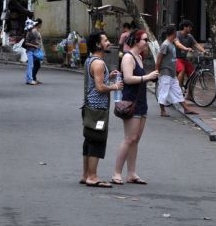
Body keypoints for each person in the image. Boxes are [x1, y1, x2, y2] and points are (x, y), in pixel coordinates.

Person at [111, 29, 159, 185]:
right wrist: (148, 77)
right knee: (129, 138)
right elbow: (128, 78)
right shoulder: (128, 57)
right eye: (145, 39)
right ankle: (117, 173)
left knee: (136, 139)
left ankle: (131, 173)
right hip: (130, 101)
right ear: (137, 41)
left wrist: (148, 78)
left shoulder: (139, 57)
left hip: (141, 101)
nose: (146, 42)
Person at [81, 30, 123, 188]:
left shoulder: (91, 60)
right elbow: (99, 88)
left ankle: (85, 175)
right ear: (98, 44)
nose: (108, 42)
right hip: (97, 109)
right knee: (97, 141)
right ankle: (92, 176)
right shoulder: (98, 63)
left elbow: (95, 81)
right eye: (105, 40)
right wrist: (115, 86)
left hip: (89, 107)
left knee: (89, 140)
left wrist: (108, 77)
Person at [155, 25, 198, 117]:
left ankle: (186, 109)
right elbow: (159, 59)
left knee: (178, 91)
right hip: (165, 72)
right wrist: (157, 71)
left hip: (172, 73)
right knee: (164, 91)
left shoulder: (172, 44)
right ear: (173, 33)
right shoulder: (165, 44)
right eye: (175, 32)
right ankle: (162, 110)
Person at [175, 20, 206, 88]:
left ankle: (190, 94)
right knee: (182, 70)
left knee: (193, 74)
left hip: (184, 59)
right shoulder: (177, 34)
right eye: (189, 27)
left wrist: (204, 51)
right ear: (184, 27)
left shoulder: (189, 36)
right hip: (176, 58)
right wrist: (186, 48)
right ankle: (178, 90)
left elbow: (196, 44)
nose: (191, 29)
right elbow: (178, 44)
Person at [24, 18, 43, 85]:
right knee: (31, 66)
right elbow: (26, 43)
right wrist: (35, 46)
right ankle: (29, 79)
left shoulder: (31, 31)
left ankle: (29, 79)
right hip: (30, 51)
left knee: (34, 65)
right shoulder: (30, 32)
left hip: (33, 50)